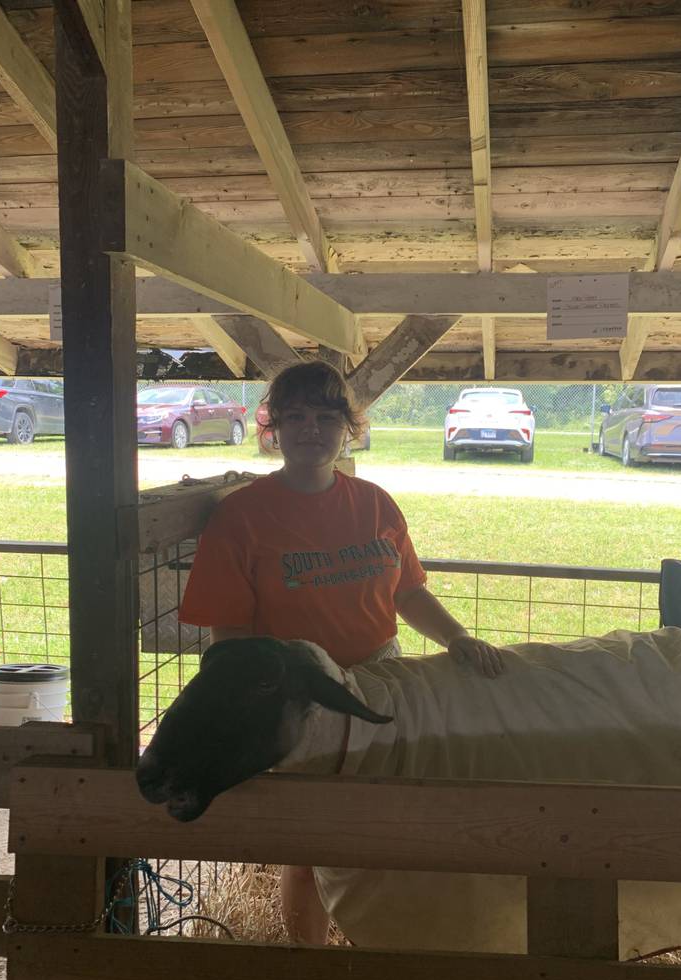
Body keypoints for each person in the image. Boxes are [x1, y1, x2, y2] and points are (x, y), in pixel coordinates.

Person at [179, 360, 504, 943]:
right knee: (310, 843)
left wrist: (457, 637)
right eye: (296, 416)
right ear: (272, 427)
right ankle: (310, 967)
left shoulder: (375, 504)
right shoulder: (241, 518)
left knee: (384, 822)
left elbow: (406, 590)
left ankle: (382, 942)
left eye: (327, 417)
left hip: (382, 678)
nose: (311, 430)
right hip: (299, 696)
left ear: (350, 428)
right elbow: (227, 635)